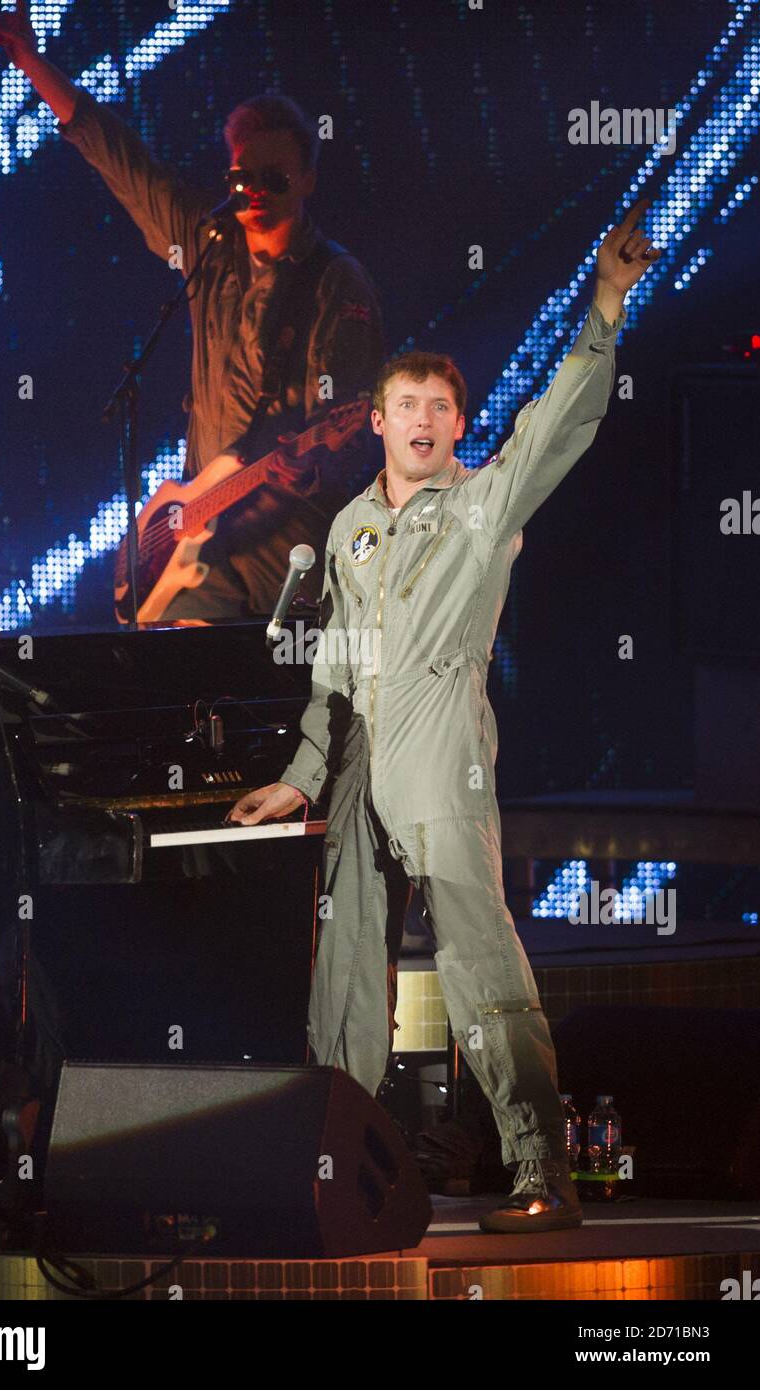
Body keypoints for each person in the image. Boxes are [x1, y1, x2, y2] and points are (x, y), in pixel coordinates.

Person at [227, 199, 661, 1232]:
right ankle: (329, 1174)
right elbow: (330, 667)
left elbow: (554, 426)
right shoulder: (346, 529)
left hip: (442, 764)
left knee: (479, 968)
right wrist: (299, 769)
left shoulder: (477, 509)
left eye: (438, 405)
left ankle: (539, 1174)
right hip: (358, 767)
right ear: (374, 418)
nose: (421, 418)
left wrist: (600, 309)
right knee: (344, 978)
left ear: (457, 424)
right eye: (404, 402)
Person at [0, 1, 384, 621]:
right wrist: (32, 64)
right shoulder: (207, 243)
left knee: (251, 693)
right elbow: (118, 155)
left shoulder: (337, 282)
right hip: (202, 521)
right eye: (242, 176)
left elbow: (348, 430)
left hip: (284, 542)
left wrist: (305, 460)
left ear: (308, 179)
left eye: (275, 178)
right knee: (168, 679)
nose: (255, 190)